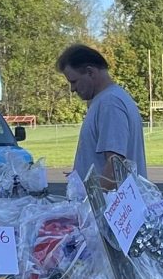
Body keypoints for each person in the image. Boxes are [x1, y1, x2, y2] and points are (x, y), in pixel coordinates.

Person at [56, 44, 147, 184]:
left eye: (74, 81)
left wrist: (90, 205)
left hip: (110, 205)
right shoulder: (106, 100)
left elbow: (114, 168)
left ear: (90, 72)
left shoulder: (110, 103)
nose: (72, 89)